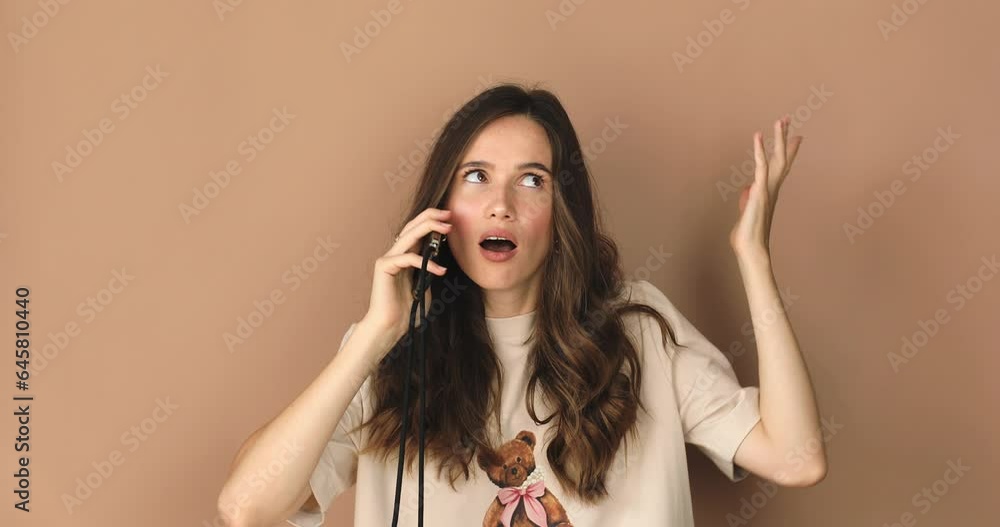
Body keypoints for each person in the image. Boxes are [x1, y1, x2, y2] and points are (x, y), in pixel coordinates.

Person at [216, 83, 826, 527]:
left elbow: (796, 459)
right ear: (442, 208)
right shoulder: (390, 349)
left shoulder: (639, 331)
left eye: (532, 180)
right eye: (476, 176)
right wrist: (377, 334)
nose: (501, 203)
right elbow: (247, 506)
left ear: (563, 213)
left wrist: (753, 259)